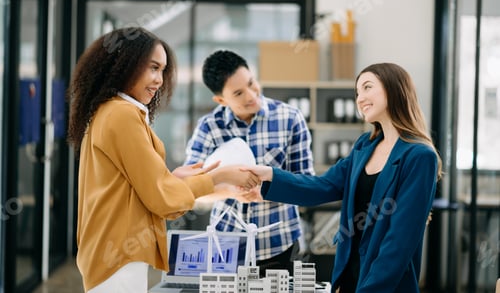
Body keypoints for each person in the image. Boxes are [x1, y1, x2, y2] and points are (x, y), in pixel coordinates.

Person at [67, 27, 259, 293]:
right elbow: (161, 199)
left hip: (112, 251)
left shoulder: (112, 110)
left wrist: (172, 178)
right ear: (125, 65)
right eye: (152, 68)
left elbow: (132, 183)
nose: (158, 80)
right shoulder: (122, 115)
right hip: (118, 255)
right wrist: (220, 176)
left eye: (162, 70)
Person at [247, 63, 442, 292]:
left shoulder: (419, 156)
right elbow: (323, 186)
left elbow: (399, 242)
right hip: (349, 278)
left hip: (384, 284)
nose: (360, 98)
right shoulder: (364, 146)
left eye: (367, 88)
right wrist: (270, 175)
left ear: (394, 89)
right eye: (358, 92)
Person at [184, 50, 315, 276]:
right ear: (221, 100)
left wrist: (267, 191)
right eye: (238, 93)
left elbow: (307, 183)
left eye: (251, 83)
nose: (251, 95)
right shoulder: (209, 128)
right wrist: (229, 192)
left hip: (281, 241)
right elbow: (191, 192)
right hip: (226, 245)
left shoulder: (290, 118)